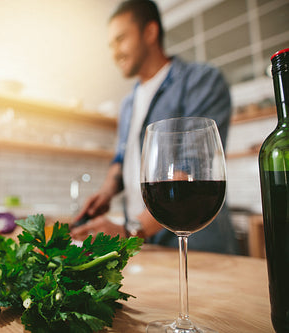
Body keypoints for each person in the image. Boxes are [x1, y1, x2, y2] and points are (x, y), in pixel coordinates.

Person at [71, 0, 238, 255]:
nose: (115, 52)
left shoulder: (201, 80)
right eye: (111, 44)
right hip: (148, 246)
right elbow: (122, 158)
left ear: (149, 32)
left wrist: (130, 232)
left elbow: (190, 173)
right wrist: (105, 194)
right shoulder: (128, 103)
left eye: (121, 39)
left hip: (196, 248)